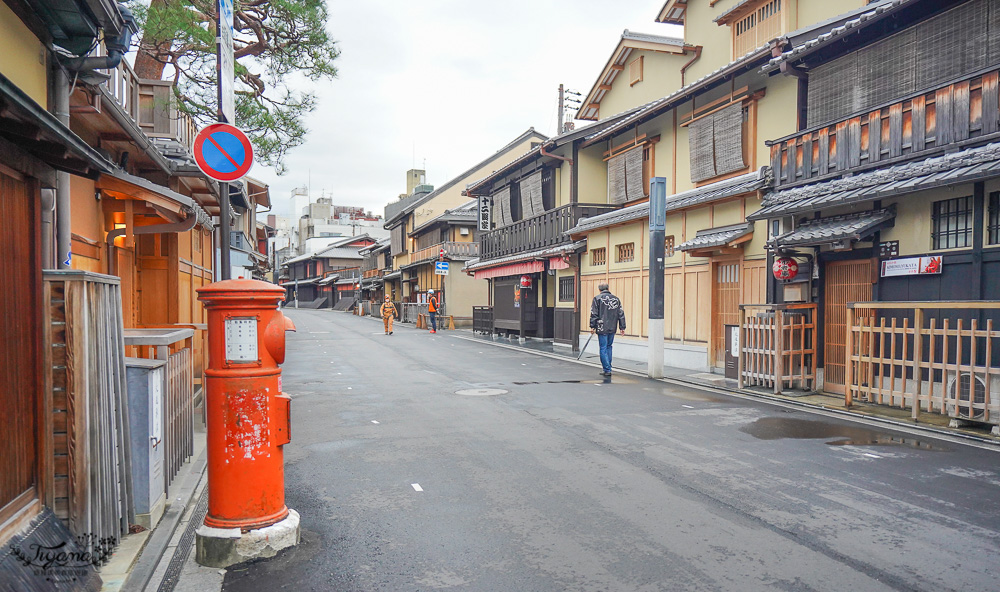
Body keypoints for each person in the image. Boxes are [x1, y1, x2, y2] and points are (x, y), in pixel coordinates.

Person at [589, 283, 626, 376]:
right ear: (608, 288)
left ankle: (607, 369)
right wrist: (622, 327)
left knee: (603, 347)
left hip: (601, 326)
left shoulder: (597, 299)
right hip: (613, 326)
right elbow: (621, 314)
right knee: (609, 346)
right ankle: (608, 366)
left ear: (599, 290)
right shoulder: (616, 299)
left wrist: (592, 326)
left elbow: (594, 313)